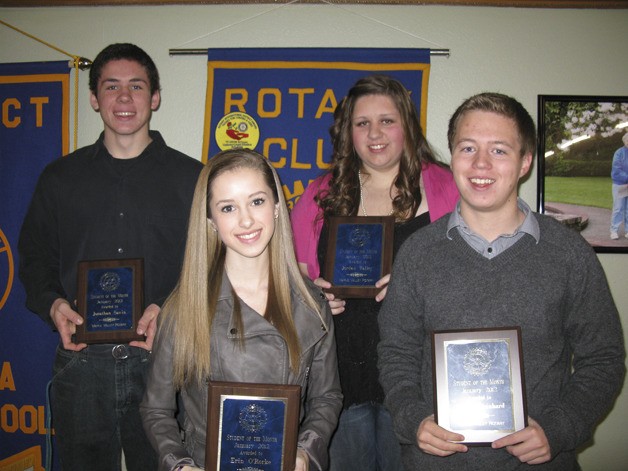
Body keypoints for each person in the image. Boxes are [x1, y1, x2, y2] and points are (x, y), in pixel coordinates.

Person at [377, 92, 626, 470]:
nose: (480, 164)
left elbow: (603, 359)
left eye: (499, 151)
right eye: (467, 148)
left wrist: (559, 428)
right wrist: (413, 419)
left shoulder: (569, 254)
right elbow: (395, 353)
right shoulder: (417, 252)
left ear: (525, 162)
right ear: (453, 156)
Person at [18, 43, 203, 470]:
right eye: (112, 87)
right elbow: (34, 256)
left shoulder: (193, 178)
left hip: (164, 361)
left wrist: (171, 309)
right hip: (81, 364)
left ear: (154, 98)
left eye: (136, 87)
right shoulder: (60, 178)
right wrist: (54, 304)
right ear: (94, 99)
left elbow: (211, 265)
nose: (124, 98)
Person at [290, 74, 459, 471]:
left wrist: (416, 288)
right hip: (339, 382)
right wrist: (312, 297)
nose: (375, 133)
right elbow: (292, 283)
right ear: (348, 132)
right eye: (362, 123)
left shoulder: (449, 189)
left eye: (387, 120)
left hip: (419, 387)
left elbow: (473, 283)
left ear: (408, 127)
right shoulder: (318, 196)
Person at [140, 149, 342, 471]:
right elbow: (156, 409)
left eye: (257, 201)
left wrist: (304, 453)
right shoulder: (183, 309)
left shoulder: (311, 303)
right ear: (210, 220)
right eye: (228, 207)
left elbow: (326, 397)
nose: (246, 220)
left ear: (277, 207)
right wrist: (179, 464)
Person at [610, 132, 628, 240]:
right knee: (618, 208)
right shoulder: (619, 153)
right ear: (624, 141)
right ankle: (613, 231)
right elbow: (616, 170)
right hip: (620, 185)